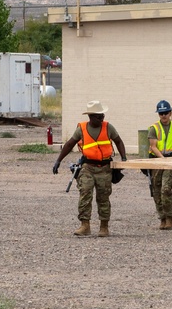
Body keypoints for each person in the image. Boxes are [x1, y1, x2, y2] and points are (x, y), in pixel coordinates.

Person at [52, 100, 128, 237]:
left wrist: (123, 158)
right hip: (88, 167)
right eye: (99, 116)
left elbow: (118, 141)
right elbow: (70, 144)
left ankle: (104, 227)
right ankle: (84, 225)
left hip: (104, 167)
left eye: (102, 116)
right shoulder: (81, 129)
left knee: (103, 197)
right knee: (85, 193)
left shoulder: (108, 127)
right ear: (91, 117)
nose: (102, 118)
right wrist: (58, 160)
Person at [148, 99, 172, 229]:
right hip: (157, 161)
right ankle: (162, 218)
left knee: (166, 189)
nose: (164, 116)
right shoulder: (154, 128)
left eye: (166, 113)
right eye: (161, 113)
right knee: (156, 191)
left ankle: (169, 217)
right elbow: (153, 146)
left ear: (170, 113)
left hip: (170, 160)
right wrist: (162, 159)